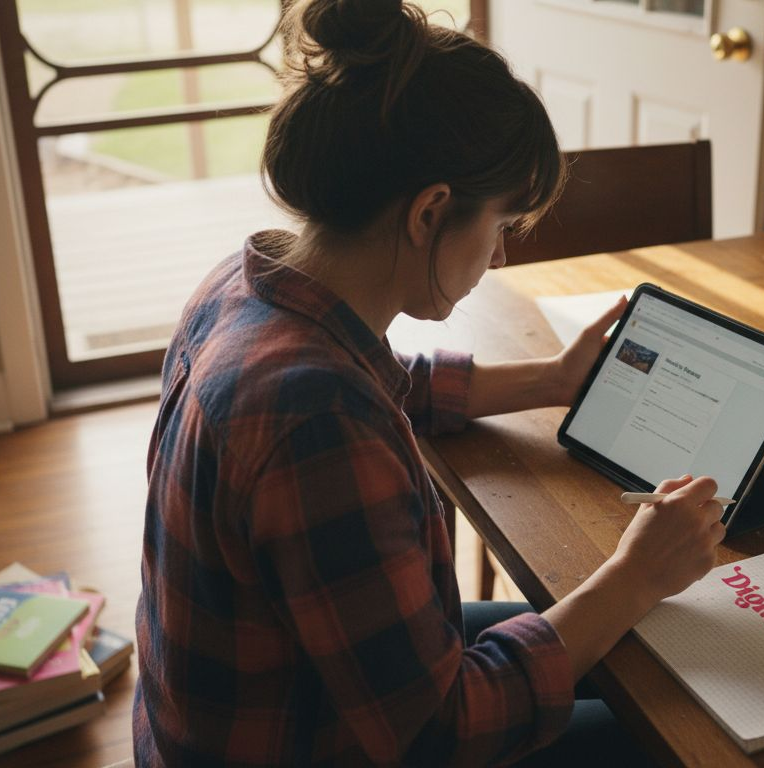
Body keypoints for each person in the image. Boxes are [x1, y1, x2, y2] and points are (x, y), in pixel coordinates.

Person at [132, 1, 726, 764]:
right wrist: (634, 576)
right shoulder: (315, 419)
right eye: (502, 227)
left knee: (626, 650)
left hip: (234, 707)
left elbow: (384, 384)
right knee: (685, 740)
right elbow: (441, 732)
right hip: (298, 738)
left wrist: (550, 378)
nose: (501, 259)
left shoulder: (255, 284)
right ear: (430, 213)